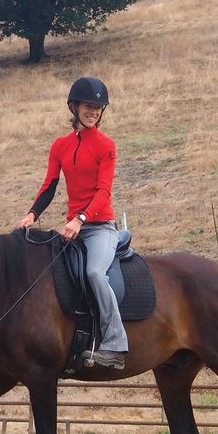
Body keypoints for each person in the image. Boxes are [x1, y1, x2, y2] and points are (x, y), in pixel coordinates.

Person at [18, 76, 128, 370]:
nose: (93, 111)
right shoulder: (60, 146)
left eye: (98, 107)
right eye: (88, 106)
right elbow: (50, 185)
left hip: (99, 227)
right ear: (74, 106)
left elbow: (104, 192)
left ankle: (116, 345)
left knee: (93, 273)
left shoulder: (107, 145)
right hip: (72, 230)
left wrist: (80, 219)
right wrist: (32, 214)